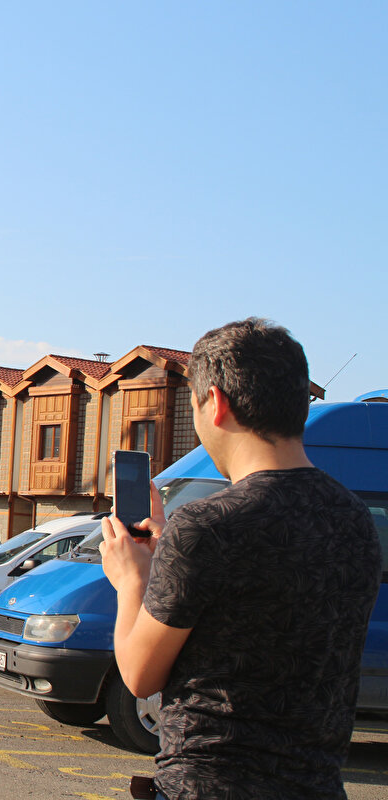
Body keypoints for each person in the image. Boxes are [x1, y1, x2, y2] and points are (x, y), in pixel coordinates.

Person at [100, 318, 379, 800]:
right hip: (316, 785)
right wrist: (172, 549)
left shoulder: (207, 526)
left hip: (211, 784)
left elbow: (140, 674)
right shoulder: (355, 518)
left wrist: (133, 581)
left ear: (217, 403)